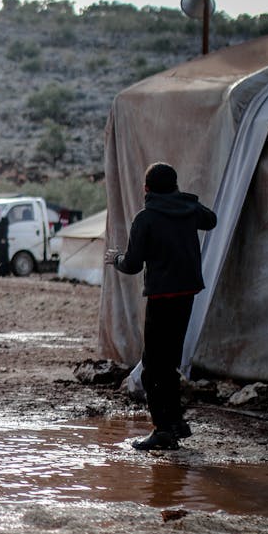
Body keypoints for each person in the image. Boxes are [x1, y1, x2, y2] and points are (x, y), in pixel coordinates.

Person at [105, 162, 216, 451]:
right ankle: (177, 422)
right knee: (169, 363)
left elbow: (132, 265)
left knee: (153, 368)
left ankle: (163, 431)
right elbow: (211, 220)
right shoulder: (189, 210)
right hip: (187, 295)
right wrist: (185, 199)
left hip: (161, 299)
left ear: (146, 189)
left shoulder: (146, 218)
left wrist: (115, 258)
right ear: (176, 185)